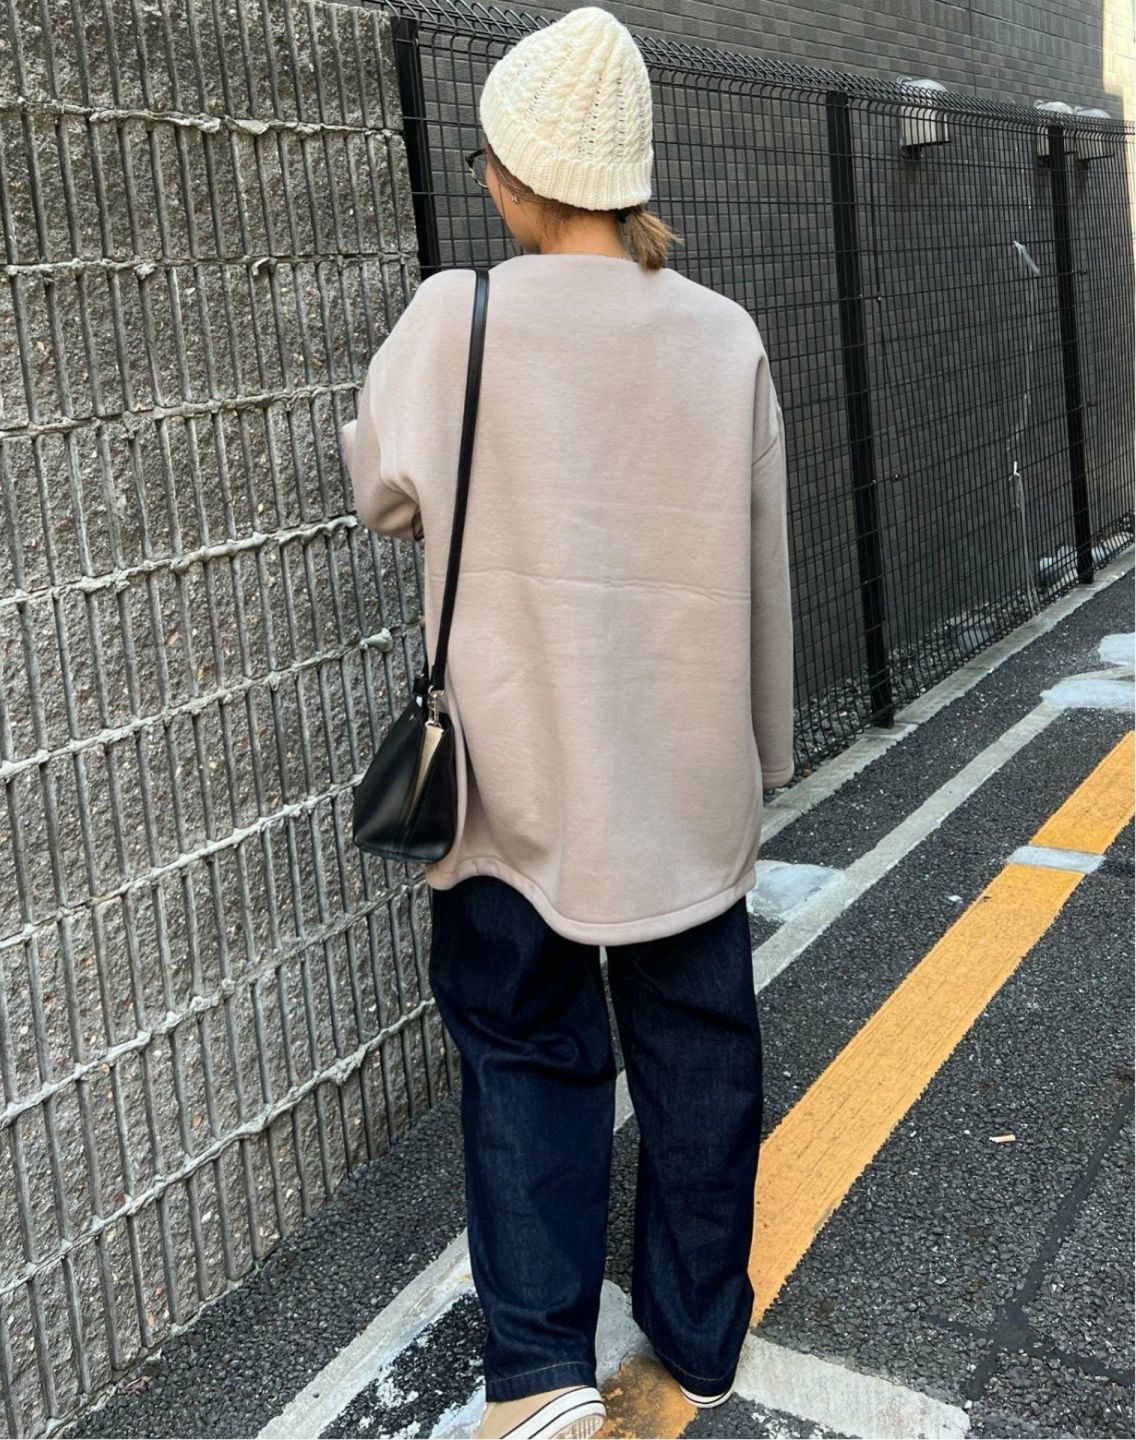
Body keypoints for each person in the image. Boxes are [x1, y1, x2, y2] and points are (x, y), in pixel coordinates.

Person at [340, 7, 795, 1437]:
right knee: (700, 1062)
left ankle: (537, 1372)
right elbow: (766, 566)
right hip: (682, 781)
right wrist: (766, 755)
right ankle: (699, 1338)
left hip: (513, 775)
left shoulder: (456, 319)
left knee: (526, 1054)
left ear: (521, 173)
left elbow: (383, 492)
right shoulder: (723, 338)